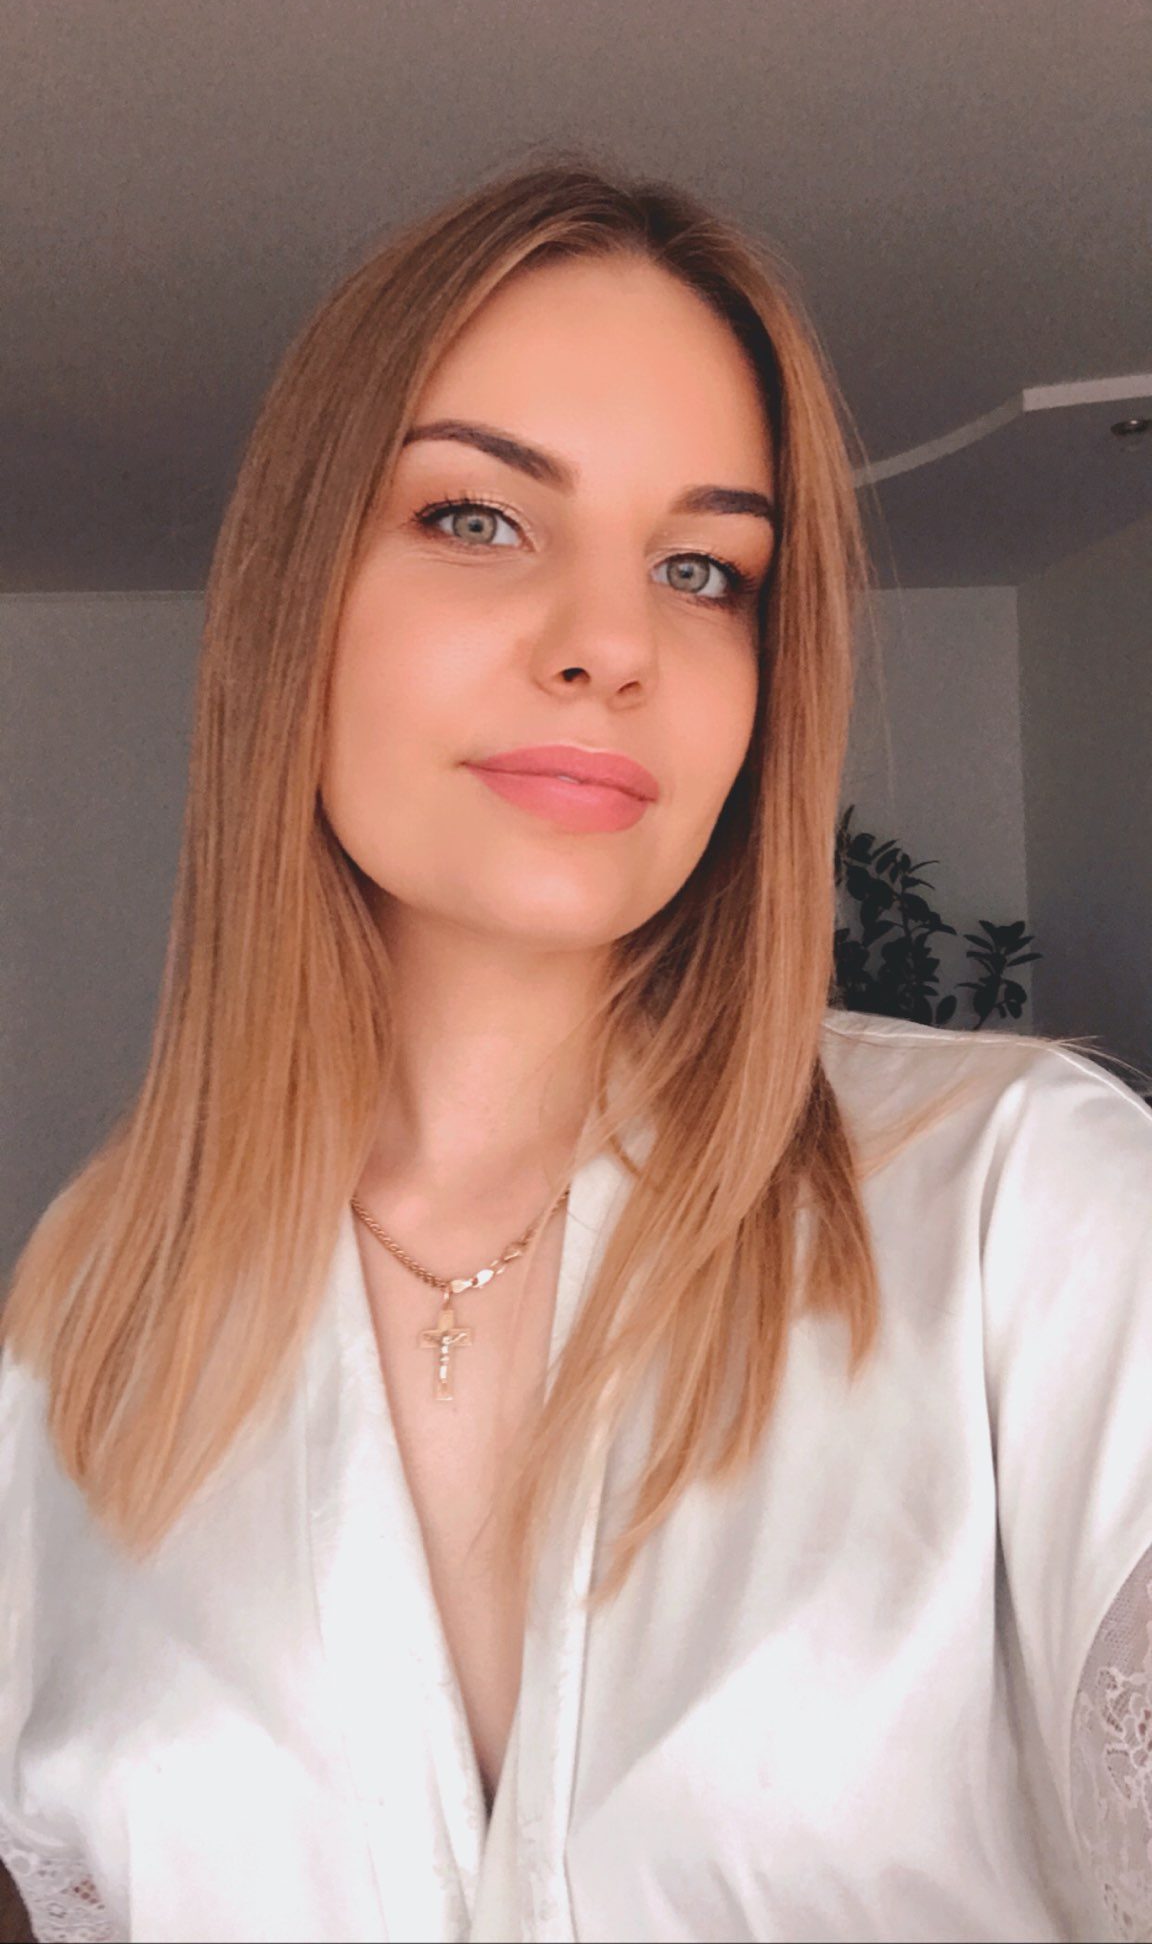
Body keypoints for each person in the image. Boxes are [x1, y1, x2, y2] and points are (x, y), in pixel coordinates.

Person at [2, 154, 1151, 1944]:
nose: (614, 645)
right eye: (479, 518)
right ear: (293, 598)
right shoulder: (85, 1318)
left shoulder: (1025, 1208)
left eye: (704, 569)